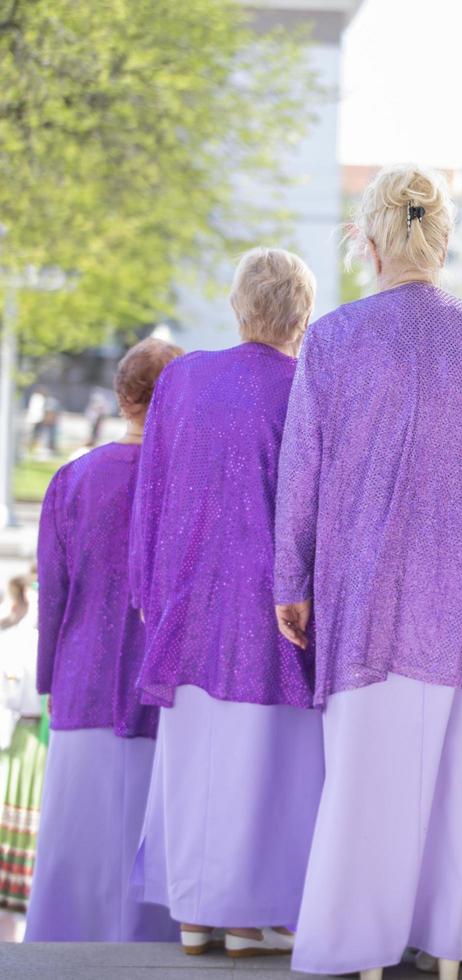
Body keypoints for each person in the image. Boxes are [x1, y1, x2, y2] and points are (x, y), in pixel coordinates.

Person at [276, 163, 462, 980]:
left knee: (366, 778)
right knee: (460, 776)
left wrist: (291, 579)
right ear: (443, 237)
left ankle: (360, 948)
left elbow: (302, 472)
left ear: (368, 238)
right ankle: (448, 945)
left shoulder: (332, 336)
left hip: (367, 591)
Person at [129, 248, 324, 959]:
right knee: (268, 763)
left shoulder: (180, 379)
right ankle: (250, 917)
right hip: (275, 612)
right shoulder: (307, 386)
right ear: (302, 314)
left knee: (197, 760)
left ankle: (195, 913)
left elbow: (149, 496)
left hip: (186, 606)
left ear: (239, 305)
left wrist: (148, 592)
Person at [26, 338, 182, 942]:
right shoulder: (185, 485)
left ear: (121, 397)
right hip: (161, 682)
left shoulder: (72, 480)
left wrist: (47, 680)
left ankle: (63, 941)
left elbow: (54, 595)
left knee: (76, 834)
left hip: (84, 674)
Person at [0, 571, 42, 916]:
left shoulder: (25, 637)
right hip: (23, 736)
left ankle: (22, 888)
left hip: (34, 736)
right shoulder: (17, 638)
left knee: (28, 810)